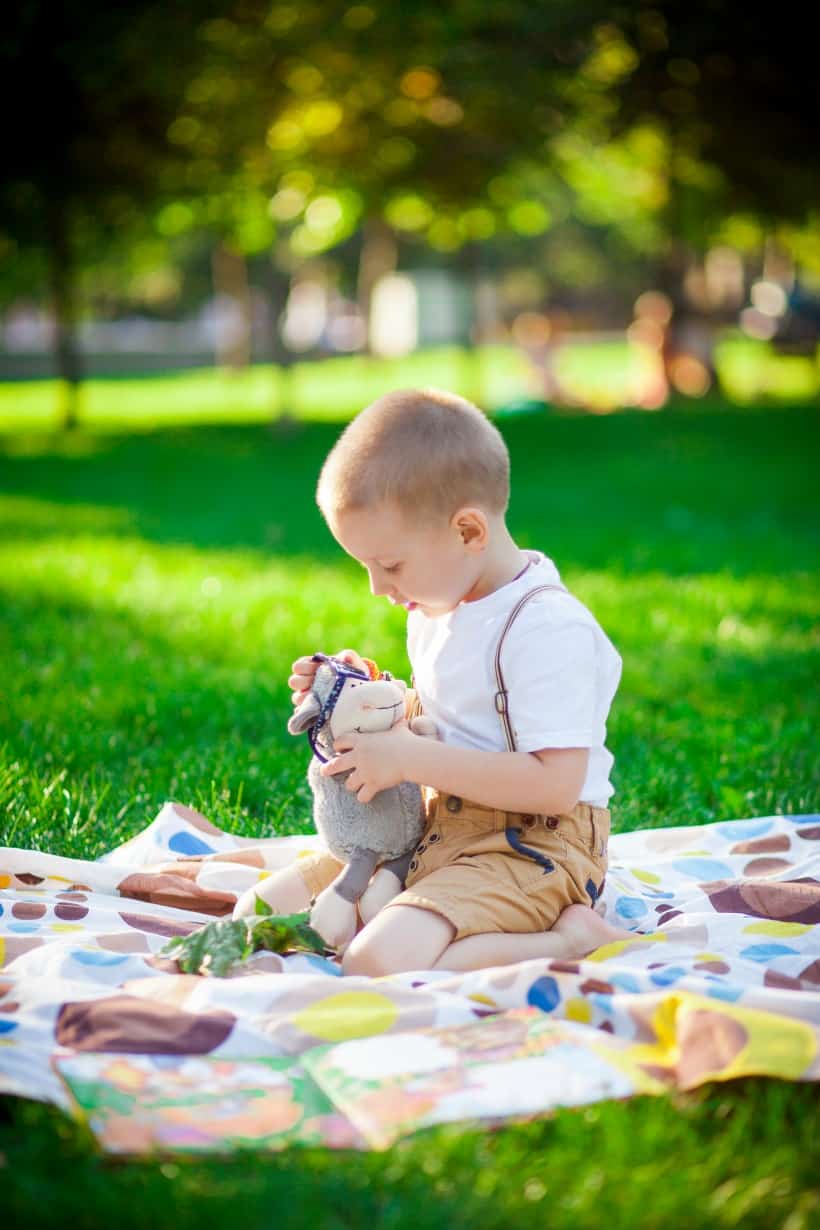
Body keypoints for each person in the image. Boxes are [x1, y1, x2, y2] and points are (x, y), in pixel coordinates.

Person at [233, 388, 632, 974]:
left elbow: (555, 786)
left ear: (468, 531)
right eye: (364, 566)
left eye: (389, 565)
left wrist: (408, 760)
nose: (376, 587)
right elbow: (450, 713)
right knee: (257, 909)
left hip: (533, 846)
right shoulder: (436, 607)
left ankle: (571, 940)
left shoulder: (546, 627)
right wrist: (360, 690)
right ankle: (419, 909)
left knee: (374, 962)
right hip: (439, 828)